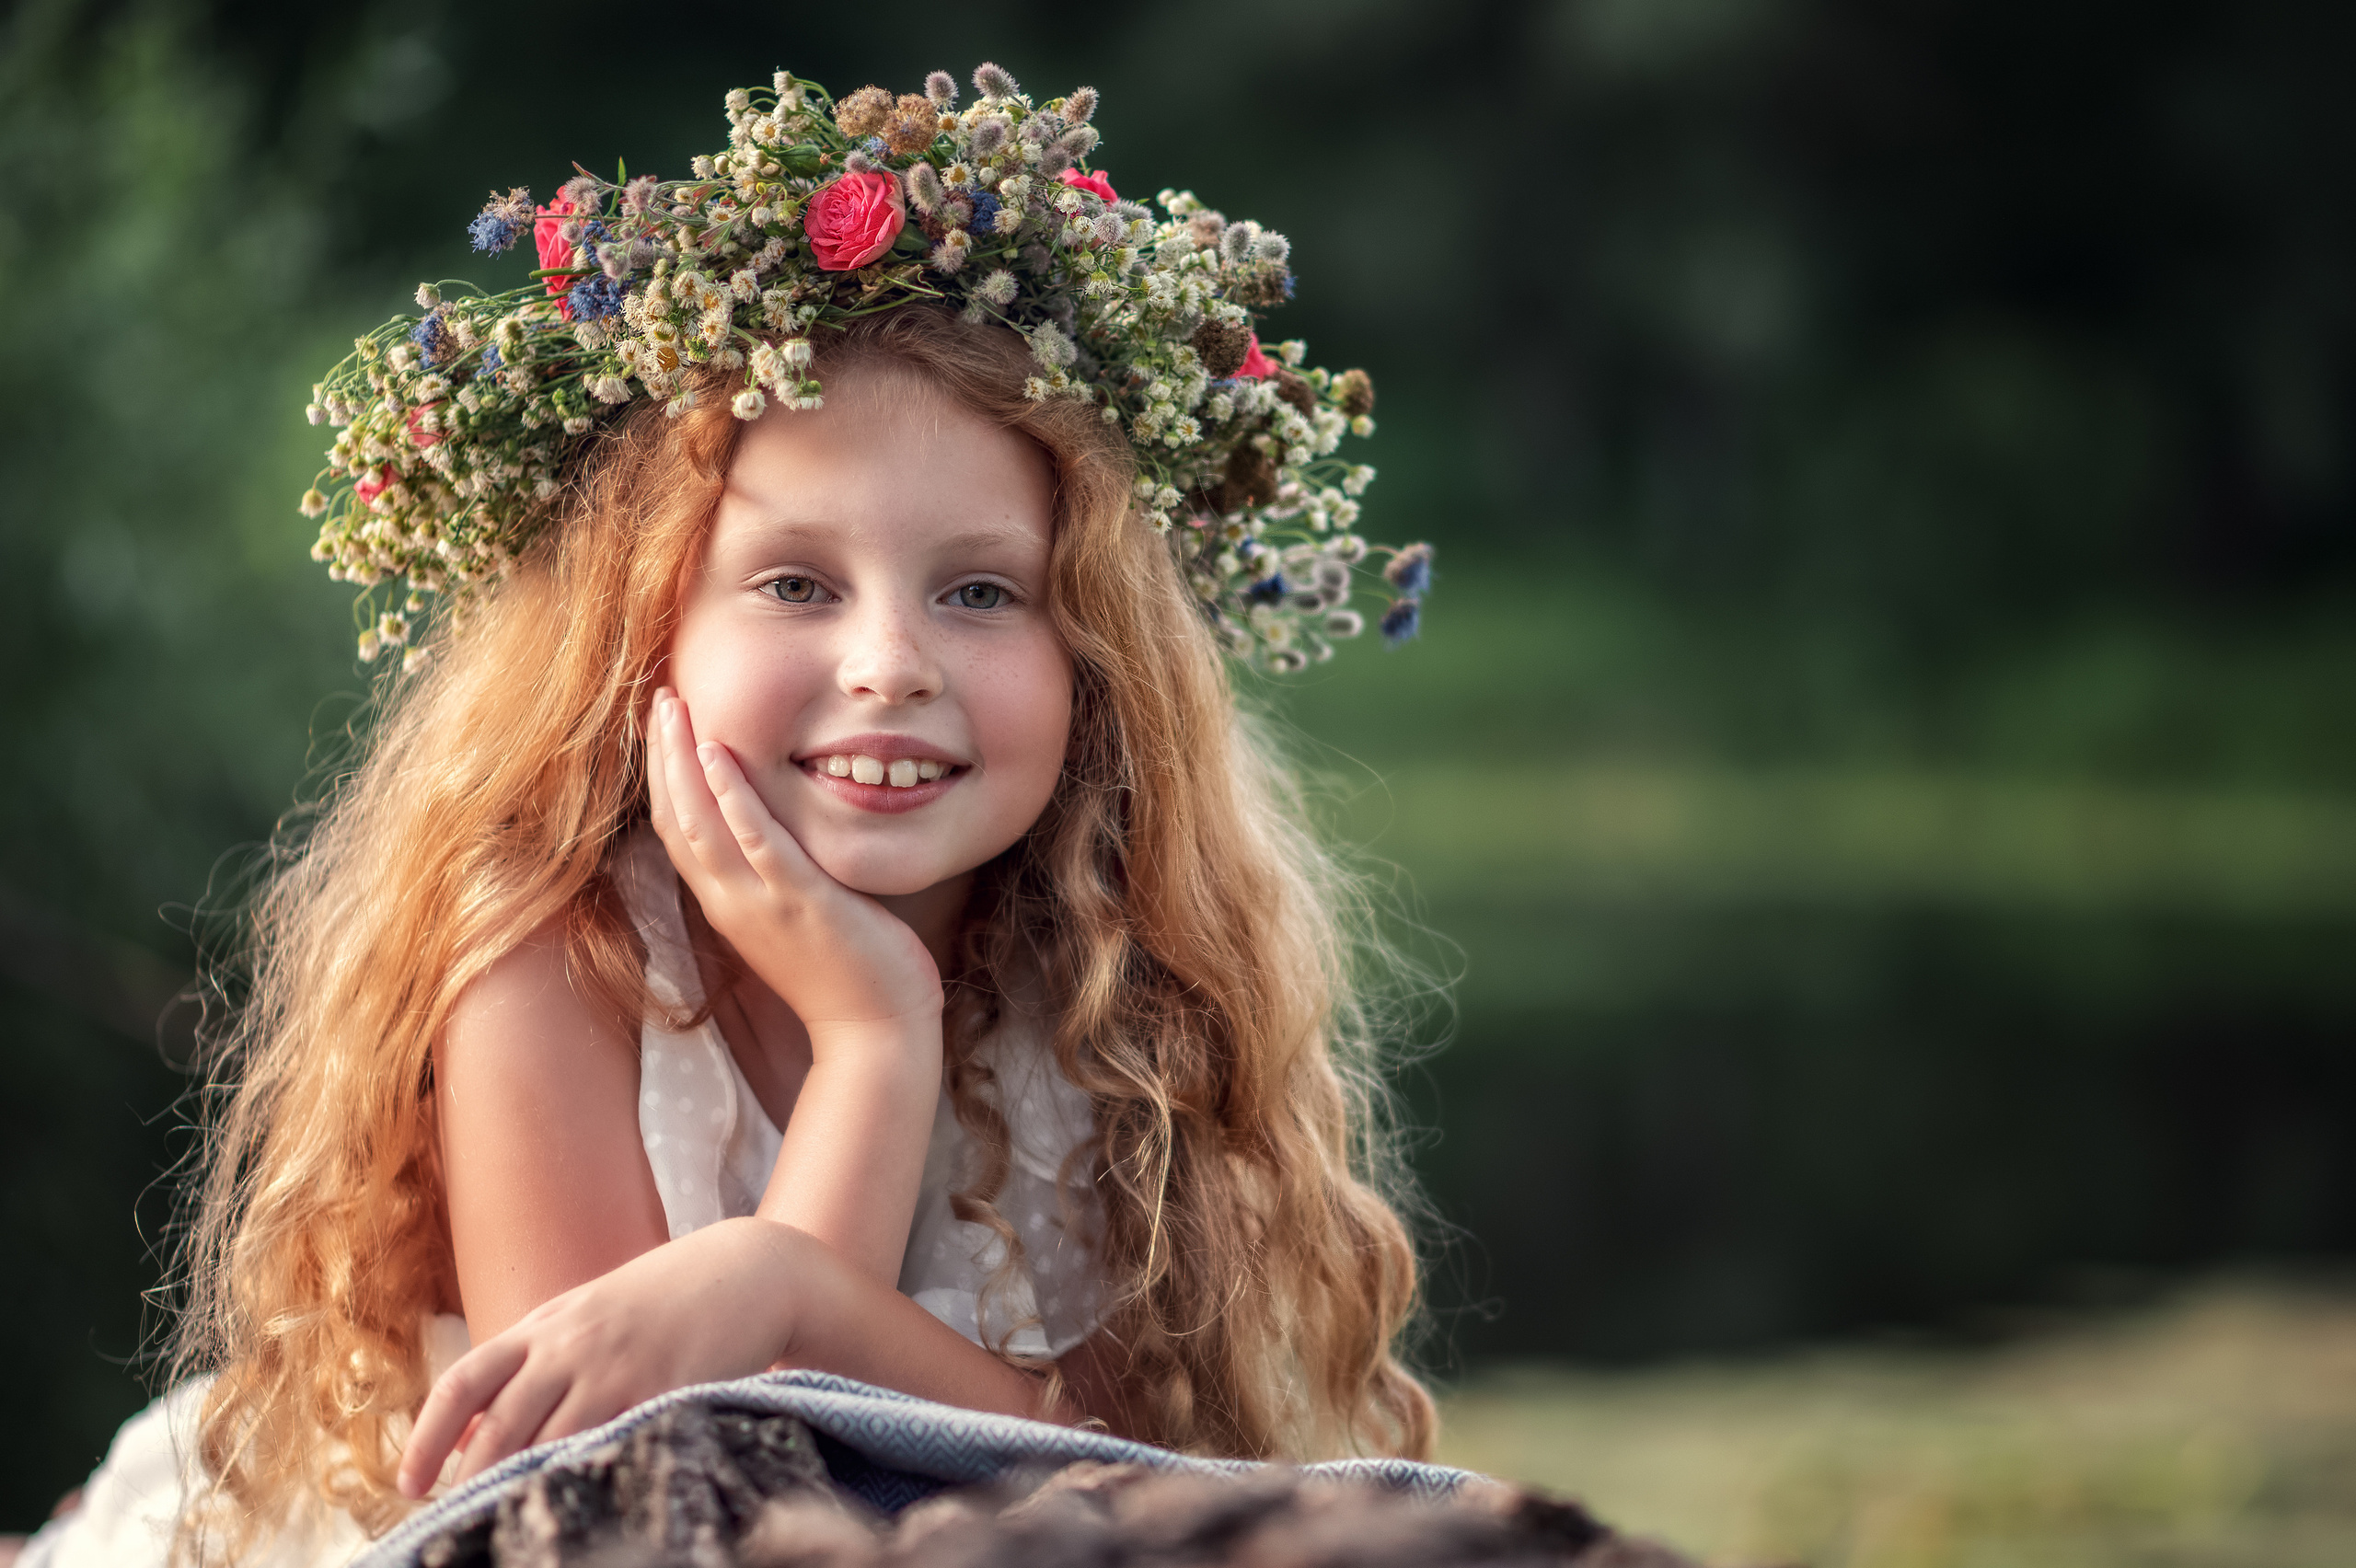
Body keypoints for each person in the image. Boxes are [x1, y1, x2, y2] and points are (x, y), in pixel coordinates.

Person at [17, 61, 1435, 1568]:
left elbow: (1112, 1478)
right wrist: (876, 1049)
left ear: (1098, 662)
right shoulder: (549, 967)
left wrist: (791, 1289)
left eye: (980, 591)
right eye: (794, 585)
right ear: (646, 636)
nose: (890, 664)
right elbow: (644, 1510)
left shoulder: (1106, 988)